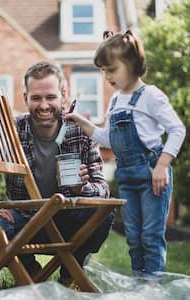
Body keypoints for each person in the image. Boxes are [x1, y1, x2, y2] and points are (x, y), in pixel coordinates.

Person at [0, 61, 113, 287]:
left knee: (103, 211)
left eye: (50, 97)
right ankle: (29, 271)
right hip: (24, 220)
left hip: (67, 219)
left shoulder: (81, 130)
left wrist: (83, 189)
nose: (44, 105)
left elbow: (103, 188)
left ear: (63, 95)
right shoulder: (11, 130)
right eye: (36, 98)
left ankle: (71, 271)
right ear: (25, 98)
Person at [66, 30, 186, 279]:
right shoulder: (115, 101)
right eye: (104, 70)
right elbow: (108, 139)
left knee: (151, 235)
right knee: (133, 236)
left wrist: (162, 165)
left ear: (131, 64)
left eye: (111, 69)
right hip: (127, 176)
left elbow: (177, 130)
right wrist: (80, 121)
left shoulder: (151, 96)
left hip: (153, 173)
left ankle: (151, 287)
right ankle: (139, 283)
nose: (106, 76)